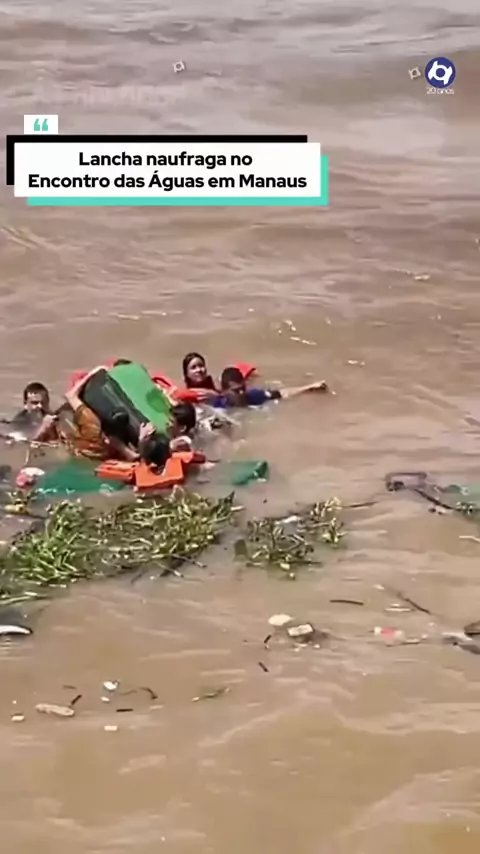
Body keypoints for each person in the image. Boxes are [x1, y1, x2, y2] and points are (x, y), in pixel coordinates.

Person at [64, 366, 142, 461]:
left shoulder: (86, 413)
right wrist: (95, 371)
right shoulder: (107, 407)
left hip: (90, 449)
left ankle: (127, 451)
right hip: (106, 446)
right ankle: (127, 451)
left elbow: (70, 396)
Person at [211, 366, 329, 408]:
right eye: (236, 391)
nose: (242, 393)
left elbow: (283, 393)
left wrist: (309, 387)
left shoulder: (253, 396)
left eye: (243, 388)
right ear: (225, 391)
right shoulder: (217, 404)